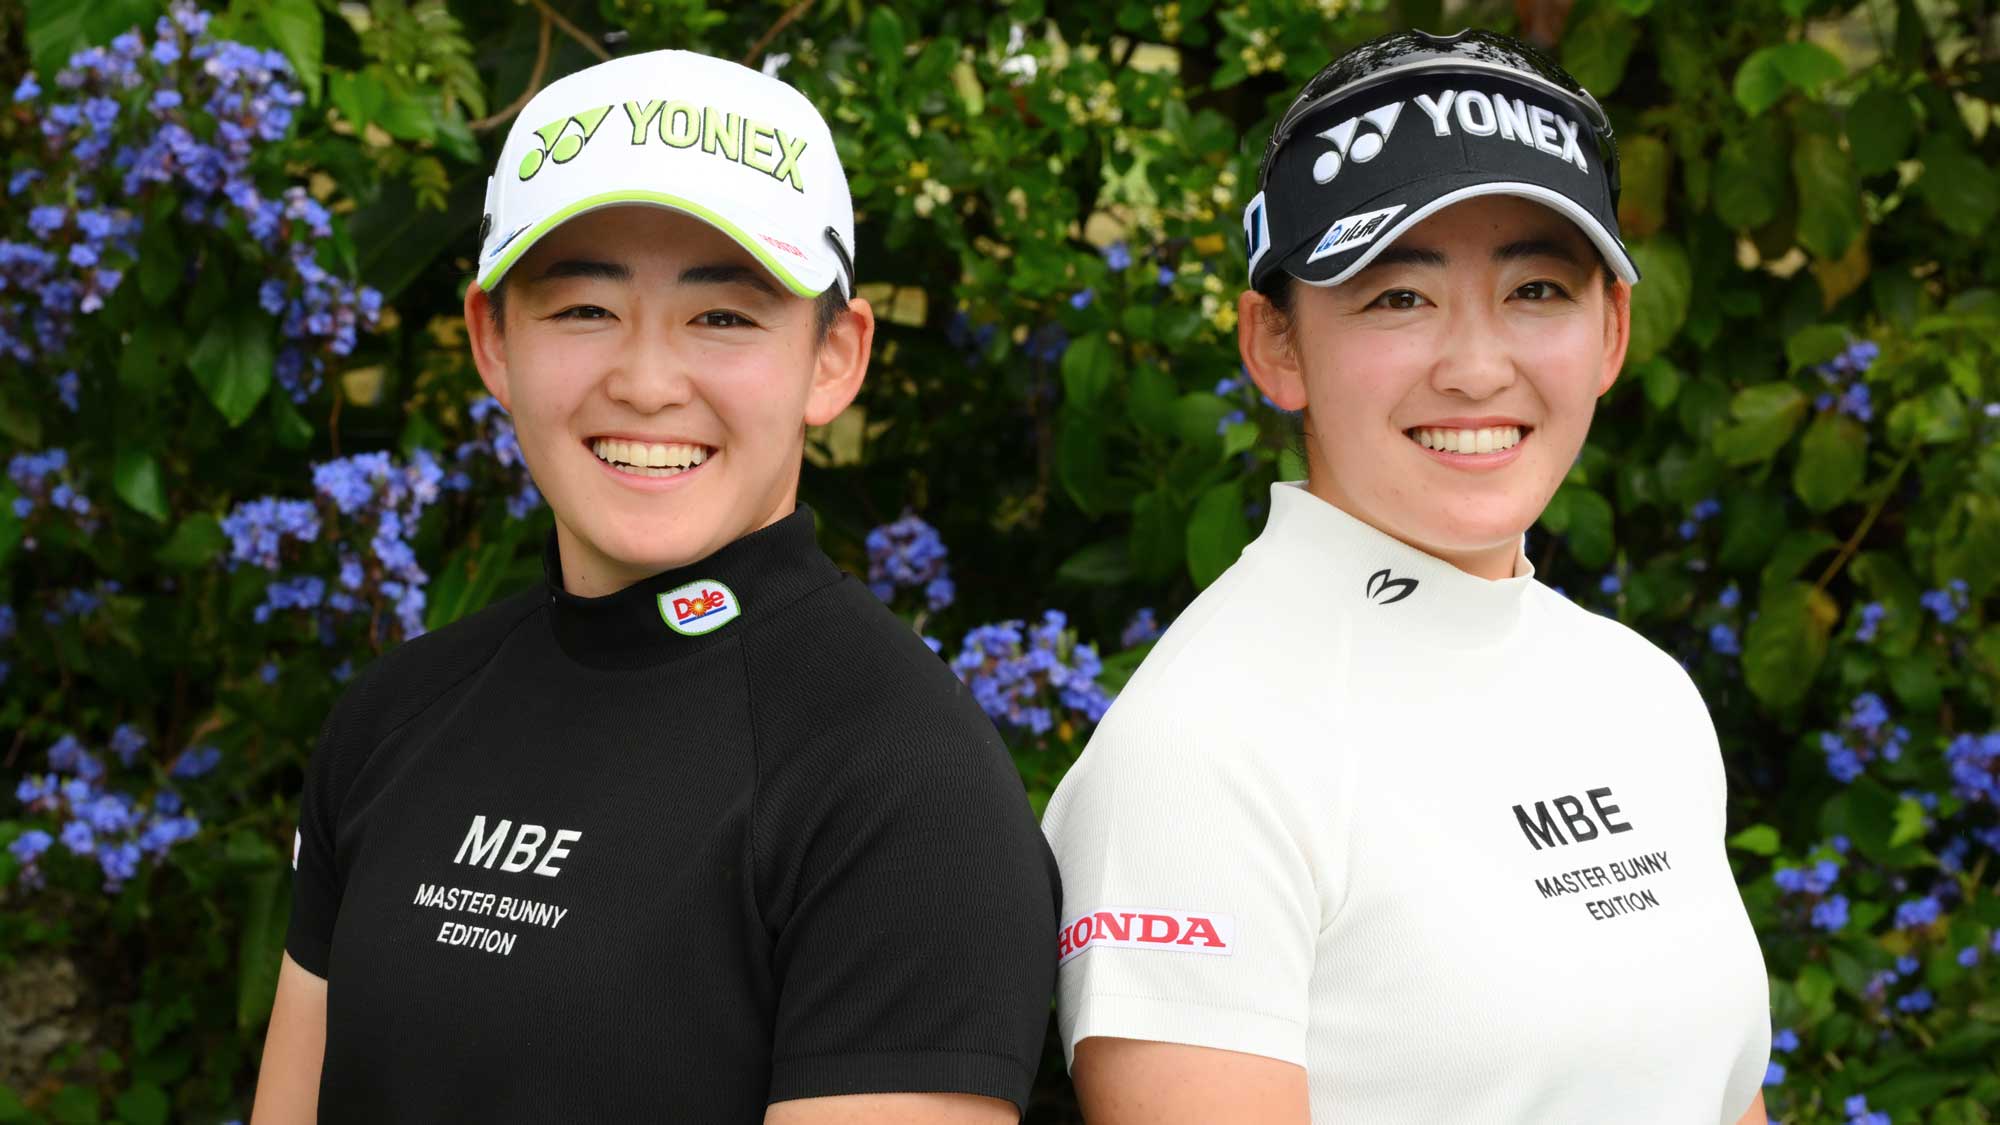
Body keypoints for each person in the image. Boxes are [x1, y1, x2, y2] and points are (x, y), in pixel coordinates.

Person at [250, 49, 1058, 1124]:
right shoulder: (388, 718)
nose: (643, 382)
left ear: (834, 358)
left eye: (723, 317)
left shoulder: (908, 793)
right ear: (492, 340)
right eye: (583, 308)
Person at [1042, 28, 1772, 1124]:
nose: (1476, 368)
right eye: (1397, 297)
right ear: (1275, 343)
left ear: (1612, 332)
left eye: (1536, 289)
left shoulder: (1643, 693)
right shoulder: (1201, 749)